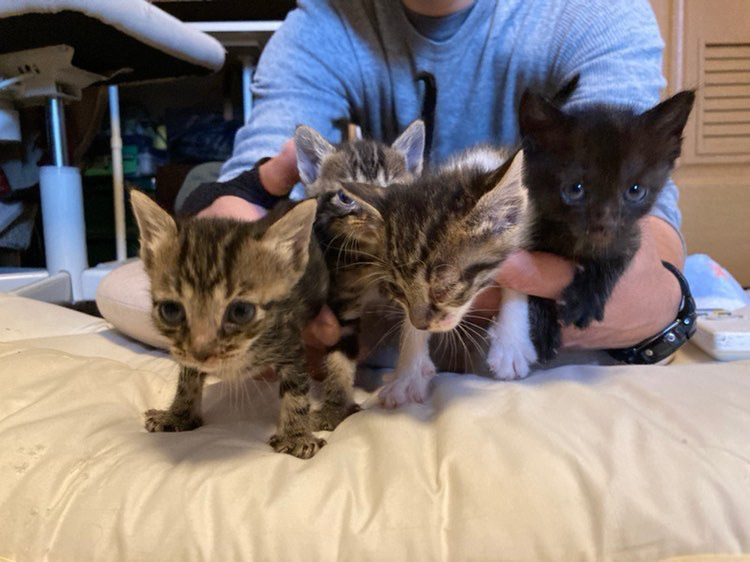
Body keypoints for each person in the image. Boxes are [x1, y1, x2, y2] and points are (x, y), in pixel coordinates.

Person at [97, 0, 685, 365]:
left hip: (496, 268)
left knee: (633, 292)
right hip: (402, 277)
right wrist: (247, 200)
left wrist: (654, 299)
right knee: (132, 285)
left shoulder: (592, 13)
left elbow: (646, 273)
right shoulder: (323, 25)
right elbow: (242, 196)